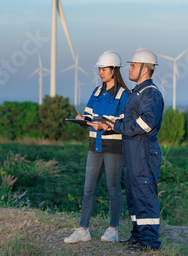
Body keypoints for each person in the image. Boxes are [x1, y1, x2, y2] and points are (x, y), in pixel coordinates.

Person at [64, 50, 130, 244]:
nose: (101, 72)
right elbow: (90, 116)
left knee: (113, 188)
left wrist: (106, 123)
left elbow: (124, 121)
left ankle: (113, 229)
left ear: (114, 70)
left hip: (113, 145)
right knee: (88, 188)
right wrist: (82, 120)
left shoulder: (124, 95)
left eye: (104, 68)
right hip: (95, 145)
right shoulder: (96, 91)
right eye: (99, 68)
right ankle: (83, 229)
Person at [103, 48, 164, 251]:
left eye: (133, 66)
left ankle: (150, 241)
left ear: (145, 70)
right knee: (134, 195)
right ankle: (138, 235)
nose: (129, 69)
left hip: (144, 152)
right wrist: (107, 123)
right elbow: (129, 120)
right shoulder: (137, 93)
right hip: (132, 151)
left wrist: (116, 127)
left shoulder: (151, 94)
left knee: (145, 195)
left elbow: (145, 124)